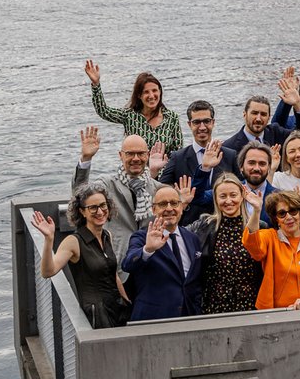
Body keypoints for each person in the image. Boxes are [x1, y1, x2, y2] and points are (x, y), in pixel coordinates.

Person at [32, 183, 130, 329]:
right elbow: (48, 272)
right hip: (96, 314)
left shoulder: (106, 235)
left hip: (117, 307)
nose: (100, 211)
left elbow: (113, 275)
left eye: (103, 205)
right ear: (82, 212)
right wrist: (49, 239)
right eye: (93, 207)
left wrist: (127, 302)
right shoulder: (73, 242)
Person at [72, 127, 157, 266]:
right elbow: (79, 194)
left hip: (150, 262)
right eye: (130, 154)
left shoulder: (156, 188)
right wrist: (86, 159)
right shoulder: (107, 184)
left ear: (147, 155)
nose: (136, 158)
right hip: (118, 263)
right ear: (120, 155)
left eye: (140, 153)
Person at [242, 188, 300, 310]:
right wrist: (256, 211)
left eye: (293, 211)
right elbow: (252, 244)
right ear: (276, 219)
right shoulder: (270, 237)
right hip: (276, 314)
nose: (288, 217)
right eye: (282, 213)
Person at [123, 185, 204, 321]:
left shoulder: (192, 238)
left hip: (190, 317)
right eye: (162, 204)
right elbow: (128, 264)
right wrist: (148, 250)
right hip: (154, 319)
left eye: (174, 203)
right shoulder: (142, 237)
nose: (169, 208)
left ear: (181, 207)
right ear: (154, 209)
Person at [185, 173, 263, 313]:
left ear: (242, 195)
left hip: (250, 303)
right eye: (223, 196)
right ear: (215, 199)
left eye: (233, 195)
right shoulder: (205, 225)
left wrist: (257, 210)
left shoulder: (260, 226)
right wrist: (181, 205)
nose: (228, 201)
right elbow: (176, 234)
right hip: (215, 304)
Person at [158, 100, 239, 222]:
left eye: (206, 121)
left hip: (224, 223)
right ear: (189, 124)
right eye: (196, 122)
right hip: (190, 223)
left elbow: (242, 186)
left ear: (213, 122)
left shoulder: (229, 155)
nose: (202, 127)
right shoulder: (177, 157)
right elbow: (161, 189)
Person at [84, 60, 182, 154]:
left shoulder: (172, 118)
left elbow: (178, 152)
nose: (151, 96)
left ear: (160, 91)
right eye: (146, 92)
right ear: (139, 95)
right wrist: (96, 84)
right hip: (135, 169)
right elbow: (104, 111)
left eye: (154, 90)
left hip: (163, 170)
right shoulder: (130, 115)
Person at [222, 75, 300, 154]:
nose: (258, 118)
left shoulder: (276, 133)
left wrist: (297, 104)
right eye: (254, 113)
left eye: (263, 114)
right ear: (244, 114)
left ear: (269, 117)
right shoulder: (228, 147)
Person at [237, 141, 276, 214]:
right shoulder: (231, 191)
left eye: (262, 164)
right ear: (241, 166)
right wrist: (208, 168)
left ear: (269, 167)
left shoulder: (279, 197)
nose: (256, 168)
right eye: (251, 163)